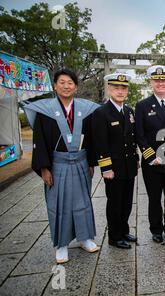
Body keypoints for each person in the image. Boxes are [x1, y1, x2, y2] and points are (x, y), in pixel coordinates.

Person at [23, 68, 100, 264]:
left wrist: (91, 162)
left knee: (83, 202)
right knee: (59, 204)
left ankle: (85, 238)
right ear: (55, 85)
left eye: (70, 83)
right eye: (62, 82)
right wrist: (44, 168)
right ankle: (62, 244)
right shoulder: (45, 111)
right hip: (58, 163)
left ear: (76, 87)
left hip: (81, 161)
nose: (66, 86)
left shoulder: (84, 109)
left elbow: (91, 137)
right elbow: (39, 141)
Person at [135, 65, 165, 243]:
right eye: (156, 80)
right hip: (153, 161)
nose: (160, 83)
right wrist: (150, 156)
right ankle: (156, 229)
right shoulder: (142, 105)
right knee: (154, 198)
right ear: (151, 83)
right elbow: (139, 134)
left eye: (163, 80)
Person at [92, 73, 139, 249]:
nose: (120, 91)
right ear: (109, 89)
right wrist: (106, 168)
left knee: (127, 202)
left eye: (123, 88)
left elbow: (132, 139)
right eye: (116, 88)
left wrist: (136, 158)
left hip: (128, 166)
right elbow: (100, 144)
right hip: (114, 168)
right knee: (115, 203)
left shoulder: (128, 111)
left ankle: (124, 230)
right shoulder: (101, 113)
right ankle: (114, 236)